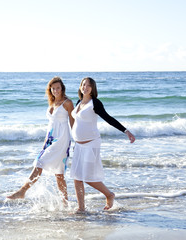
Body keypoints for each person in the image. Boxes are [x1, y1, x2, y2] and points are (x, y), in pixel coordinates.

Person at [70, 77, 135, 213]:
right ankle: (81, 208)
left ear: (93, 89)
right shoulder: (78, 102)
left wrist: (126, 131)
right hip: (79, 145)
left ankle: (109, 194)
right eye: (83, 85)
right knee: (77, 177)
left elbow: (108, 118)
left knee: (87, 177)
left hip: (91, 144)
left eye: (89, 86)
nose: (85, 87)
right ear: (80, 87)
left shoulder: (95, 103)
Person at [7, 77, 74, 204]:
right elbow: (51, 125)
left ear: (62, 88)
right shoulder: (52, 103)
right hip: (50, 139)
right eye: (53, 88)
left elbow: (72, 122)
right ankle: (65, 203)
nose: (55, 90)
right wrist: (45, 142)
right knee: (59, 174)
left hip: (62, 139)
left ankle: (22, 191)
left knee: (40, 162)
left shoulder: (67, 103)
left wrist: (77, 138)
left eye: (58, 88)